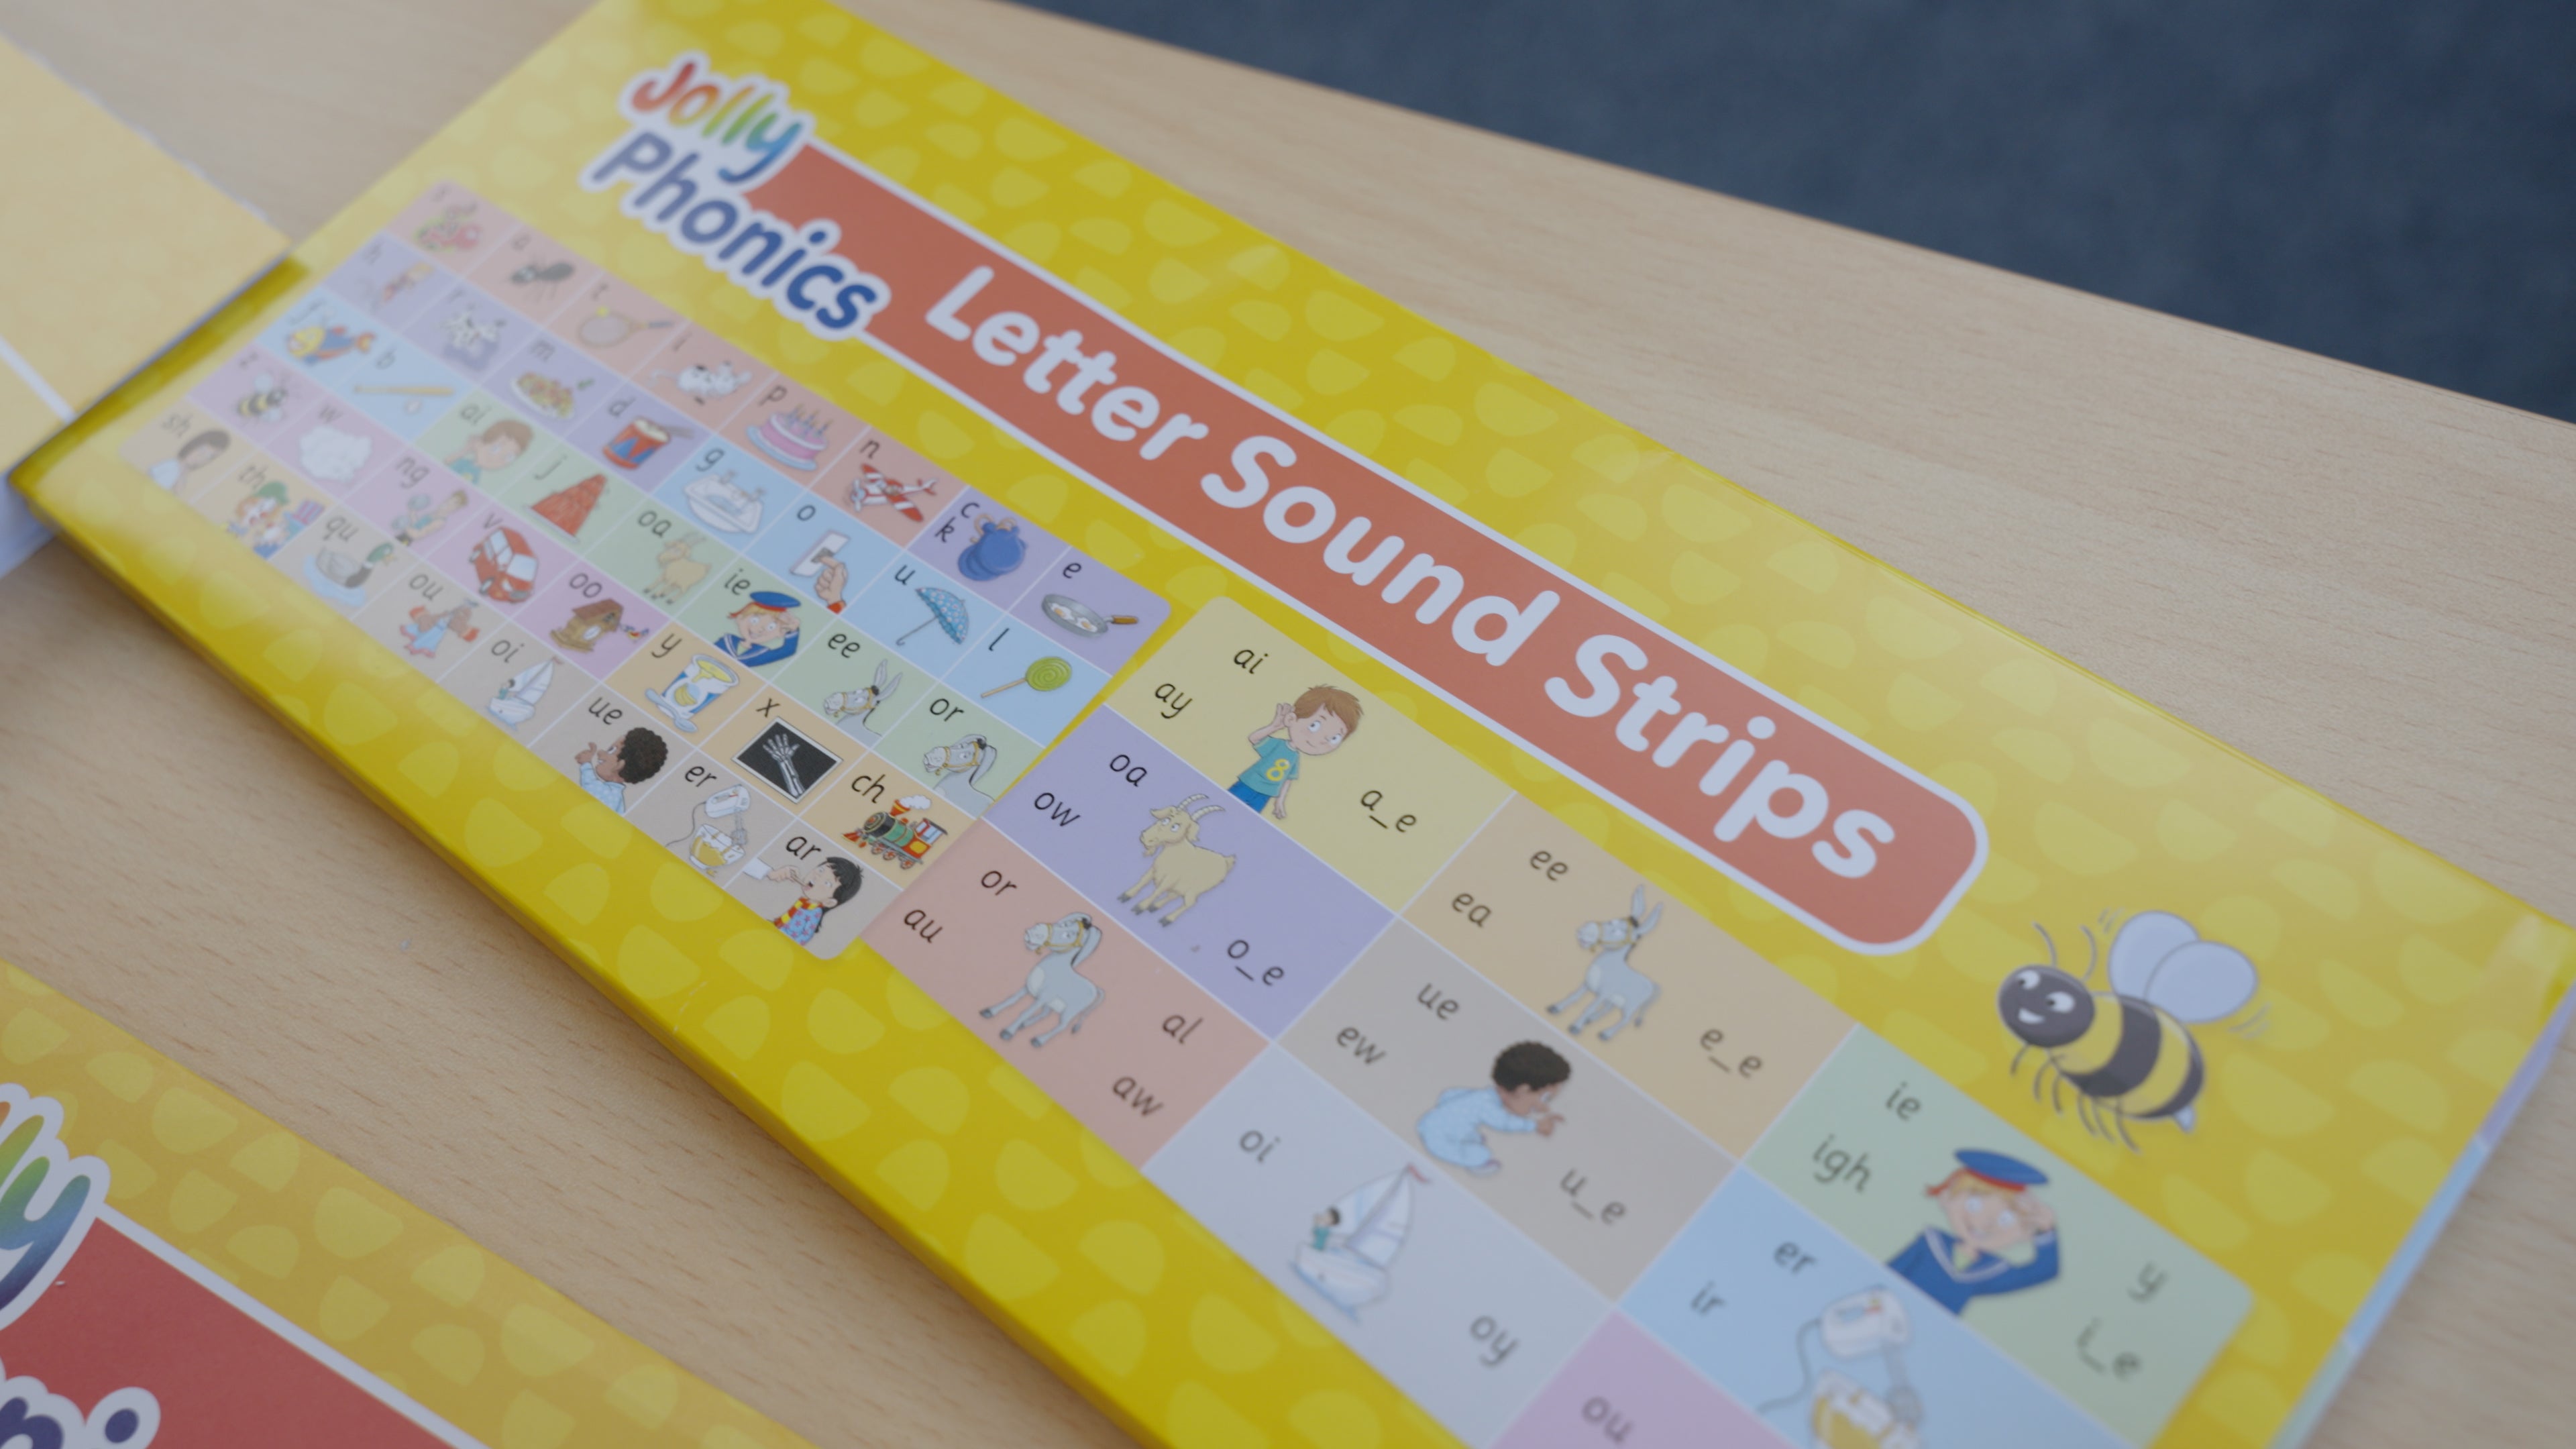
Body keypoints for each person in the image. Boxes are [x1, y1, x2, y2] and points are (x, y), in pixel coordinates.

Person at [1886, 1150, 2061, 1315]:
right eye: (1973, 1205)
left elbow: (2042, 1272)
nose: (1984, 1223)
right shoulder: (1930, 1244)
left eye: (2005, 1219)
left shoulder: (1990, 1270)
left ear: (2024, 1232)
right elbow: (1890, 1272)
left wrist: (2046, 1231)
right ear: (1947, 1197)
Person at [1415, 1042, 1570, 1177]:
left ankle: (1461, 1137)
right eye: (1544, 1099)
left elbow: (1448, 1095)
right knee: (1481, 1154)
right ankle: (1477, 1165)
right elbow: (1505, 1123)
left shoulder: (1481, 1095)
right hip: (1440, 1139)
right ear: (1522, 1090)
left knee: (1471, 1134)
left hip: (1428, 1122)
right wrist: (1535, 1126)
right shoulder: (1487, 1105)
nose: (1543, 1107)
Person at [1230, 684, 1362, 820]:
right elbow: (1254, 739)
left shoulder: (1295, 757)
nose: (1320, 740)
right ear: (1291, 719)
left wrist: (1280, 802)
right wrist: (1274, 727)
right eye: (1314, 725)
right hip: (1249, 784)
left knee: (1246, 820)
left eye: (1335, 738)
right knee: (1226, 805)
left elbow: (1287, 780)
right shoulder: (1279, 745)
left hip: (1266, 794)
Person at [767, 857, 862, 945]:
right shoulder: (802, 901)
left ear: (829, 902)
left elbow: (806, 935)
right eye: (821, 870)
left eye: (827, 883)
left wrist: (792, 946)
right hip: (777, 930)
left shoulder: (815, 913)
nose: (818, 877)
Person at [574, 727, 668, 814]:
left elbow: (591, 788)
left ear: (619, 765)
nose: (600, 752)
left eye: (611, 750)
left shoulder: (610, 795)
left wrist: (586, 765)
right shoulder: (614, 794)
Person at [445, 418, 533, 485]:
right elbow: (447, 462)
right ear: (480, 443)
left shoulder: (477, 473)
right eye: (495, 449)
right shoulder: (463, 463)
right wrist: (466, 449)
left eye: (509, 457)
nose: (498, 458)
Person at [148, 429, 229, 490]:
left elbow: (177, 492)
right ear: (193, 445)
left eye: (210, 457)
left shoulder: (184, 475)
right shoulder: (172, 465)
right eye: (202, 451)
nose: (201, 458)